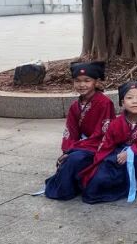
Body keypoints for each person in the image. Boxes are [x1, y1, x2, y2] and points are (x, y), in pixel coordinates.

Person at [43, 62, 115, 200]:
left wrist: (73, 150)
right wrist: (67, 150)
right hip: (81, 146)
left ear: (96, 82)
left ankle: (69, 189)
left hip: (99, 146)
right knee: (69, 160)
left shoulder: (104, 103)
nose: (82, 85)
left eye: (87, 81)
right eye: (77, 81)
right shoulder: (75, 106)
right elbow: (70, 131)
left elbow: (102, 133)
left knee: (75, 159)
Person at [80, 81, 137, 204]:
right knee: (101, 177)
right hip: (119, 153)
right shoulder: (116, 123)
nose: (135, 101)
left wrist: (131, 151)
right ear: (122, 102)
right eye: (129, 98)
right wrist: (102, 160)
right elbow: (107, 144)